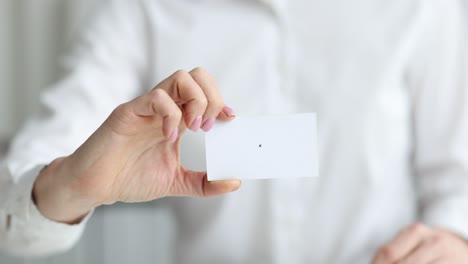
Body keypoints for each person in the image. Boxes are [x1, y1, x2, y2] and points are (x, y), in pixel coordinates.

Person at [1, 0, 468, 263]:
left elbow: (456, 179)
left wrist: (454, 240)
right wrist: (75, 186)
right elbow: (11, 218)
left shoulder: (422, 8)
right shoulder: (142, 9)